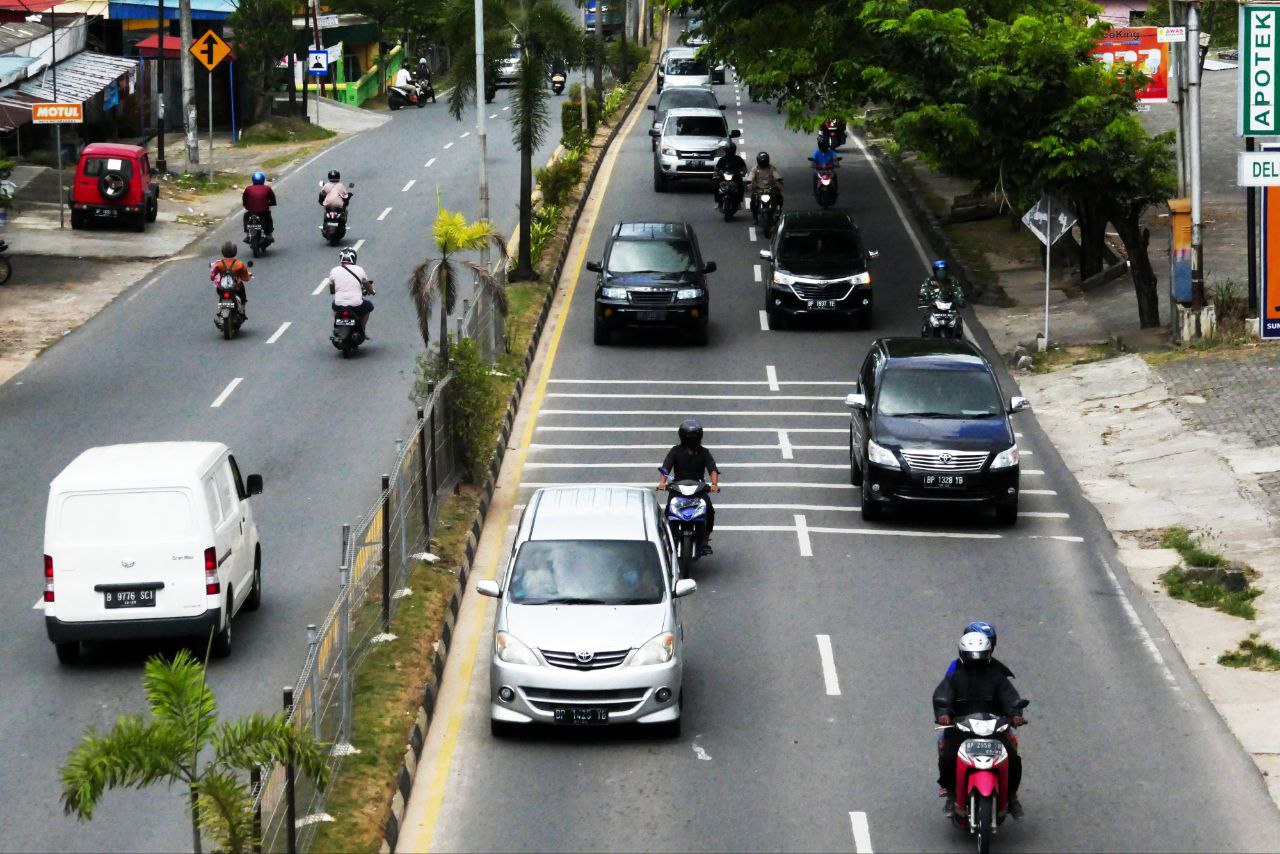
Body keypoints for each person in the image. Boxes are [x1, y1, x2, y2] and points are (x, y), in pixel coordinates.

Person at [933, 631, 1027, 820]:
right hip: (962, 729)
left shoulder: (997, 678)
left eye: (980, 657)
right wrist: (944, 714)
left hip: (994, 728)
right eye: (971, 657)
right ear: (963, 655)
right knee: (948, 758)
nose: (975, 662)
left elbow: (1010, 698)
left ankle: (1011, 797)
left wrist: (1015, 714)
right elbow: (943, 697)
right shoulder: (955, 678)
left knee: (1014, 760)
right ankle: (951, 796)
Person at [656, 419, 721, 553]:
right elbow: (666, 467)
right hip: (678, 488)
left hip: (698, 488)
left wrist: (714, 485)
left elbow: (712, 469)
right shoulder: (675, 451)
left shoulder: (704, 452)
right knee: (668, 511)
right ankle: (667, 538)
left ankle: (705, 540)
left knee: (709, 510)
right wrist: (662, 483)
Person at [325, 247, 375, 335]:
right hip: (356, 304)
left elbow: (332, 290)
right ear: (354, 258)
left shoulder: (334, 270)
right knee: (369, 307)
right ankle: (362, 330)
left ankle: (337, 326)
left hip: (339, 304)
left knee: (334, 306)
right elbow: (367, 286)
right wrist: (372, 292)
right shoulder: (360, 270)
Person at [209, 241, 251, 316]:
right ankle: (242, 309)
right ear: (235, 251)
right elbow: (245, 278)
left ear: (223, 251)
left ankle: (221, 308)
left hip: (221, 288)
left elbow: (212, 276)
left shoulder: (219, 264)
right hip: (236, 288)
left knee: (221, 294)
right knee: (242, 295)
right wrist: (248, 276)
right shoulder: (239, 264)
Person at [747, 151, 784, 225]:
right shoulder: (755, 169)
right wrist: (749, 181)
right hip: (759, 189)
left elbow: (776, 174)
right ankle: (755, 217)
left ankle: (778, 210)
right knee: (753, 200)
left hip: (771, 188)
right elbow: (751, 175)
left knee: (779, 197)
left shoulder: (771, 168)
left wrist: (778, 179)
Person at [241, 171, 276, 246]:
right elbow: (272, 198)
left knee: (246, 217)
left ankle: (247, 234)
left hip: (251, 212)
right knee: (268, 218)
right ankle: (269, 234)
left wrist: (245, 205)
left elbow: (244, 198)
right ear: (263, 180)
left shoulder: (248, 189)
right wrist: (272, 203)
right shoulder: (267, 188)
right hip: (264, 211)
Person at [713, 142, 747, 208]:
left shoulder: (738, 159)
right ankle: (718, 201)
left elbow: (744, 169)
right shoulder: (722, 159)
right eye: (728, 150)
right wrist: (716, 174)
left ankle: (738, 202)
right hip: (723, 178)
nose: (729, 151)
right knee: (716, 186)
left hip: (735, 177)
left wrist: (742, 174)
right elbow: (716, 169)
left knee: (741, 187)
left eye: (731, 150)